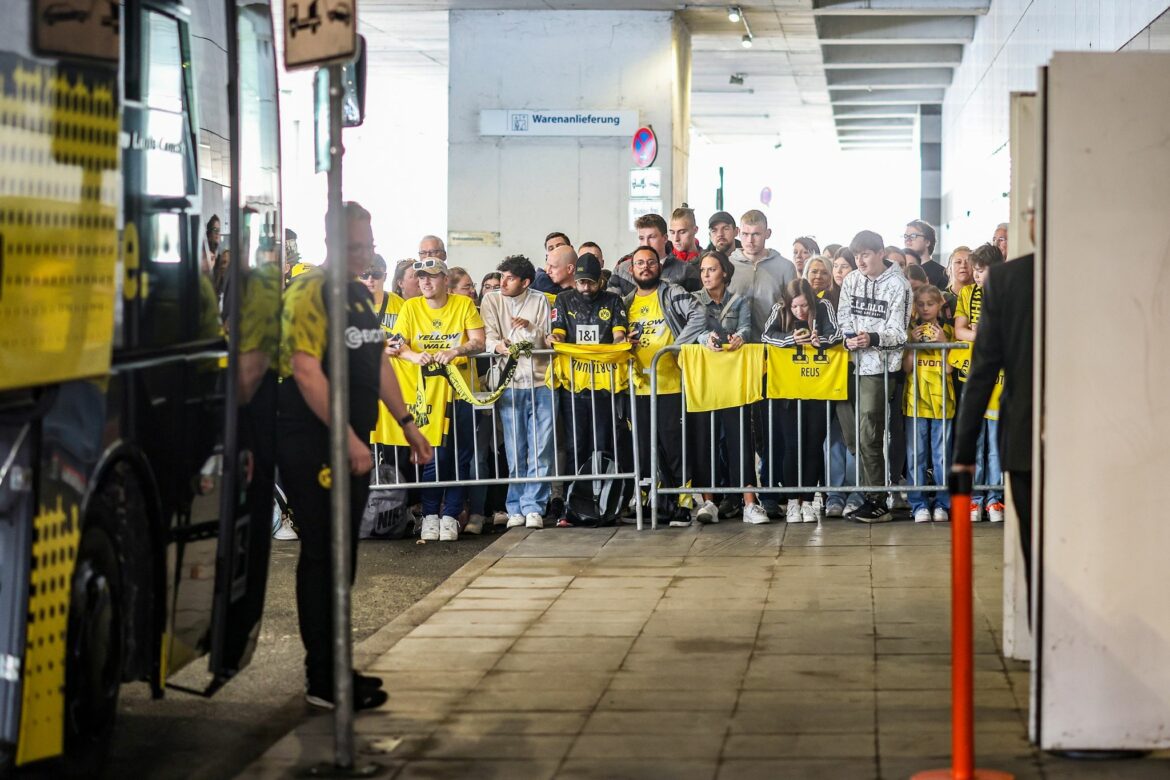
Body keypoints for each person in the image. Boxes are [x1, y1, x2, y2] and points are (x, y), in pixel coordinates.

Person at [278, 201, 432, 710]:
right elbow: (305, 370)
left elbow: (377, 364)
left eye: (369, 244)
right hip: (312, 440)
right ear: (333, 242)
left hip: (352, 438)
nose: (366, 254)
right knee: (324, 554)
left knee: (342, 558)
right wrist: (345, 438)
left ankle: (337, 668)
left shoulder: (358, 296)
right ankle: (321, 678)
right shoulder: (310, 290)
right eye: (357, 245)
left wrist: (409, 425)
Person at [953, 243, 1034, 585]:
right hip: (1088, 435)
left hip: (1026, 434)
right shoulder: (1103, 273)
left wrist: (963, 451)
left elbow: (984, 369)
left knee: (1036, 556)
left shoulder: (1009, 279)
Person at [392, 257, 486, 543]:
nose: (425, 282)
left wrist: (456, 351)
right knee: (434, 456)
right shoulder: (410, 307)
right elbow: (396, 344)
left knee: (461, 456)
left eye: (432, 277)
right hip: (428, 397)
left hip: (461, 392)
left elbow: (479, 342)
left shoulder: (464, 305)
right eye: (421, 277)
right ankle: (431, 514)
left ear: (446, 279)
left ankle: (451, 515)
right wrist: (413, 355)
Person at [623, 245, 705, 526]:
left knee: (674, 447)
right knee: (645, 450)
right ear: (631, 269)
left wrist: (676, 348)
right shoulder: (626, 302)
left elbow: (699, 314)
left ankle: (682, 501)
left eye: (650, 262)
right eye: (639, 263)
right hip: (639, 388)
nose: (645, 267)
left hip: (671, 386)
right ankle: (650, 499)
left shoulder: (671, 293)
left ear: (659, 266)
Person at [549, 253, 631, 526]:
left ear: (601, 281)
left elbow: (619, 335)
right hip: (574, 387)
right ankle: (572, 508)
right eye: (581, 282)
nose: (585, 288)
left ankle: (605, 505)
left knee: (604, 445)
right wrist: (554, 339)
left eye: (591, 283)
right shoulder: (564, 300)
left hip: (605, 387)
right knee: (576, 447)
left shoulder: (613, 301)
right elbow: (558, 332)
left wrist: (619, 343)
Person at [836, 230, 911, 523]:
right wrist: (849, 338)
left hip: (880, 367)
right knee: (854, 435)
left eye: (865, 254)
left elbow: (899, 331)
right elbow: (844, 316)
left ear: (881, 253)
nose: (859, 261)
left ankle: (877, 499)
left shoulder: (899, 285)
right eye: (856, 256)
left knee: (870, 431)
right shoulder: (852, 280)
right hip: (850, 362)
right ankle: (871, 493)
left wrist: (873, 338)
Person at [481, 255, 555, 530]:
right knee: (514, 449)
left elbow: (546, 338)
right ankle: (515, 506)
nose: (503, 282)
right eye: (502, 276)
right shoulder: (491, 300)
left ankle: (534, 506)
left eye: (510, 278)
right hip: (508, 381)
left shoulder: (540, 300)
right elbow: (488, 337)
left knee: (541, 448)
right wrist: (499, 347)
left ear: (525, 282)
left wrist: (531, 330)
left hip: (540, 381)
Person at [690, 250, 764, 525]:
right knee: (705, 439)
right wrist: (702, 338)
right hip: (705, 380)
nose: (706, 275)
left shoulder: (740, 301)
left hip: (734, 380)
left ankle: (749, 502)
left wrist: (740, 338)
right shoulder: (694, 300)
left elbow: (746, 328)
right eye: (703, 270)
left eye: (711, 269)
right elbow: (691, 330)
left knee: (740, 438)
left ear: (724, 272)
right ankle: (709, 501)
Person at [762, 278, 843, 523]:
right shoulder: (778, 309)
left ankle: (808, 500)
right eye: (795, 307)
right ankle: (792, 501)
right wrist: (790, 340)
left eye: (804, 306)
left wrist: (821, 341)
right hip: (788, 388)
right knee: (791, 445)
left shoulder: (824, 305)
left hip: (818, 386)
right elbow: (766, 335)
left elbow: (836, 334)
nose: (800, 311)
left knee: (813, 444)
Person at [953, 243, 1006, 522]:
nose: (976, 275)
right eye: (975, 270)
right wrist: (984, 334)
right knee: (974, 443)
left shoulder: (1007, 293)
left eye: (982, 270)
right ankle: (974, 499)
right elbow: (960, 330)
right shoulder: (966, 293)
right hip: (972, 376)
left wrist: (982, 332)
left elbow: (1006, 331)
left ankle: (994, 498)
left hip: (1000, 380)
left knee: (996, 446)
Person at [902, 285, 956, 523]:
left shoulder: (949, 331)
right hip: (916, 401)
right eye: (921, 304)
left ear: (939, 305)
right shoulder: (910, 331)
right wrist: (912, 347)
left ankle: (943, 503)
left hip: (943, 402)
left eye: (930, 304)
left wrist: (944, 342)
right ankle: (918, 503)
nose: (925, 308)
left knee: (941, 455)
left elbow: (949, 368)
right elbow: (906, 368)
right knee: (917, 454)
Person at [727, 210, 797, 342]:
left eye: (756, 234)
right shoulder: (727, 265)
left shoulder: (785, 267)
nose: (750, 240)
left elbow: (794, 308)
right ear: (738, 233)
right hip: (734, 344)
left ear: (768, 233)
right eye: (745, 234)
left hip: (774, 344)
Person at [609, 214, 701, 296]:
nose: (646, 243)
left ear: (665, 238)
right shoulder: (622, 269)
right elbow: (611, 306)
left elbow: (694, 310)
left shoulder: (686, 271)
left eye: (651, 237)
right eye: (641, 238)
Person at [360, 254, 404, 331]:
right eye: (365, 275)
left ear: (385, 276)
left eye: (376, 275)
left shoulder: (400, 304)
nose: (370, 280)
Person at [904, 219, 949, 289]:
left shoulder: (942, 273)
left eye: (913, 236)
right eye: (906, 236)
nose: (907, 240)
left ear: (927, 242)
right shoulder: (902, 269)